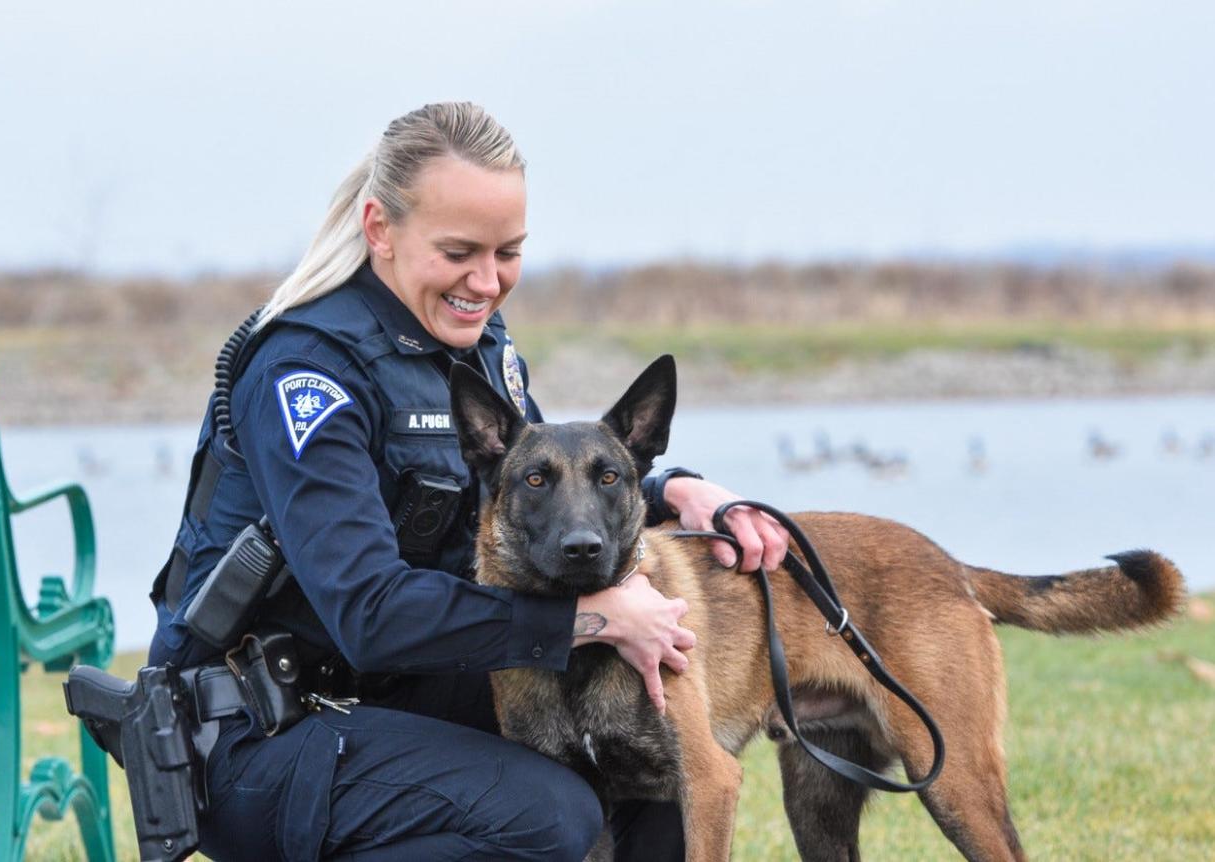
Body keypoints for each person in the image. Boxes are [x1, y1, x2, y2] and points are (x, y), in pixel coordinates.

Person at [148, 101, 789, 861]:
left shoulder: (473, 349)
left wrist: (675, 490)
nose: (486, 282)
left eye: (507, 252)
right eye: (459, 251)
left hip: (386, 695)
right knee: (548, 816)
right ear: (380, 228)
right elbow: (368, 610)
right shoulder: (307, 373)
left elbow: (544, 485)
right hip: (259, 735)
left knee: (641, 750)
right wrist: (593, 617)